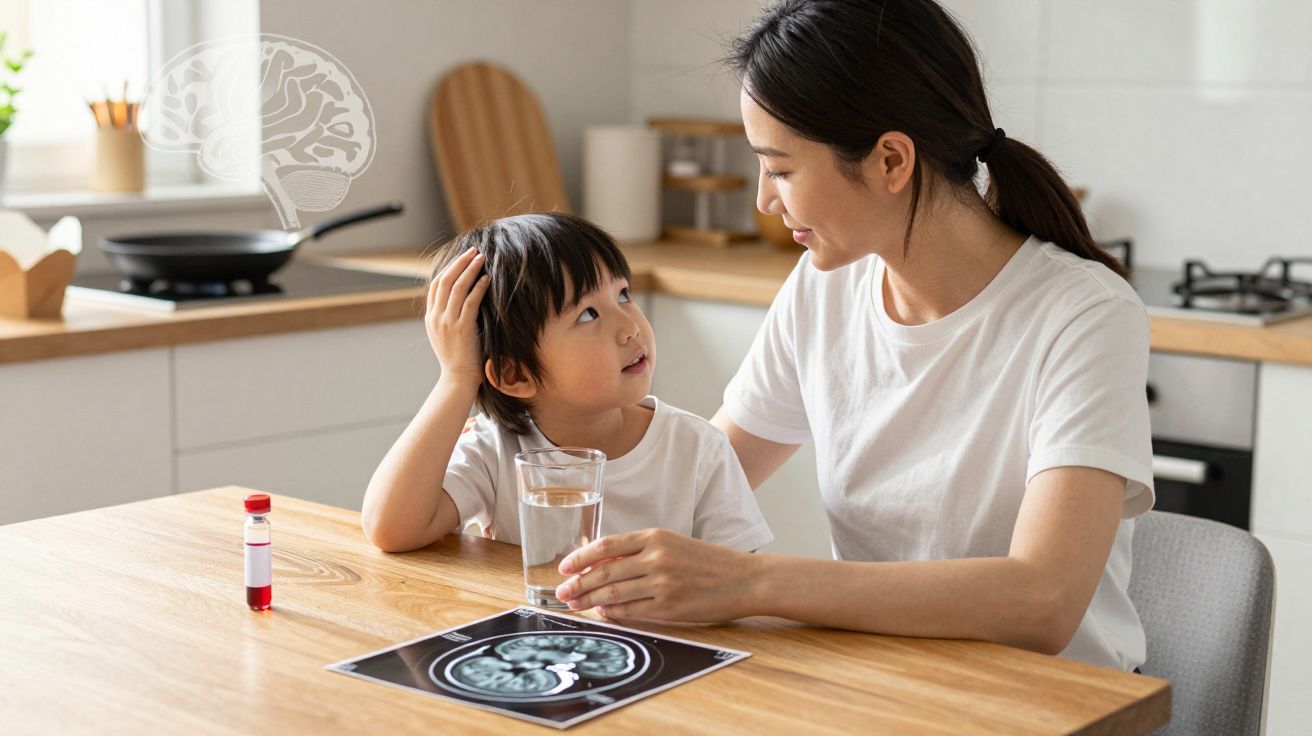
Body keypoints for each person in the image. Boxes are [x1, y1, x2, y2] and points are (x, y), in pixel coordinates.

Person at [553, 0, 1154, 672]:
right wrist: (521, 467)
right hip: (883, 688)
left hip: (1048, 703)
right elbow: (698, 479)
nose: (764, 201)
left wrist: (750, 582)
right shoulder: (825, 286)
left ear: (890, 161)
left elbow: (1043, 601)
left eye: (780, 169)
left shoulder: (1083, 313)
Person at [361, 213, 772, 557]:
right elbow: (390, 528)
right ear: (515, 375)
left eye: (623, 294)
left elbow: (740, 582)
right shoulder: (495, 450)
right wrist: (456, 378)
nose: (630, 328)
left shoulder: (697, 448)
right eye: (589, 315)